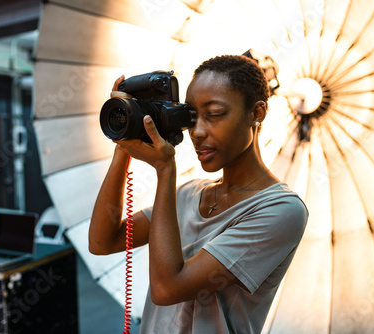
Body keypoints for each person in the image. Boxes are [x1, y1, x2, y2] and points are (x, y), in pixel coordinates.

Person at [89, 55, 308, 333]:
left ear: (257, 113)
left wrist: (165, 169)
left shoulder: (281, 211)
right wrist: (124, 143)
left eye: (214, 114)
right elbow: (102, 241)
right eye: (191, 117)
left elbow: (167, 289)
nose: (198, 132)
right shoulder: (188, 195)